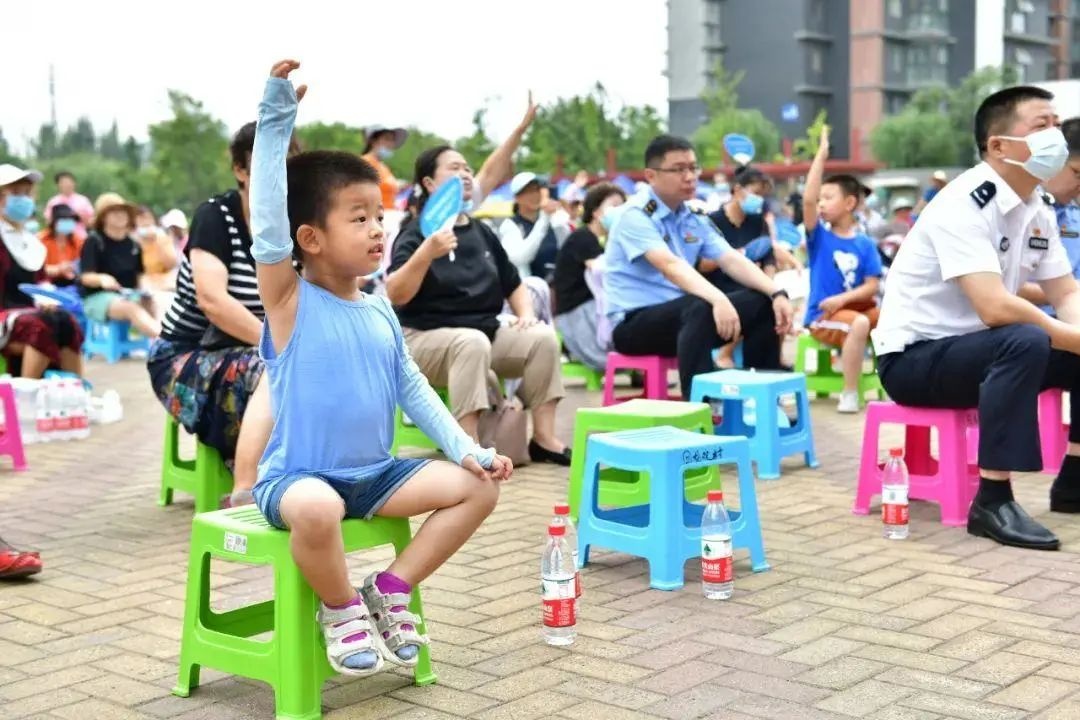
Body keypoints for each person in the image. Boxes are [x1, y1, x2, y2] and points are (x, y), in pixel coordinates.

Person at [249, 60, 510, 675]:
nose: (377, 229)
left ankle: (388, 591)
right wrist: (277, 115)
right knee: (316, 509)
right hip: (300, 480)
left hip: (376, 476)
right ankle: (340, 610)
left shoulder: (380, 307)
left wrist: (464, 448)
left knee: (478, 487)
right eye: (359, 218)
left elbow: (410, 386)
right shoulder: (289, 302)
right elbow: (268, 219)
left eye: (379, 217)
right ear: (309, 239)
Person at [873, 85, 1080, 551]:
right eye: (1042, 126)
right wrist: (1070, 336)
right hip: (915, 360)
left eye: (1057, 125)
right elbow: (994, 307)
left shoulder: (1037, 208)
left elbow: (1065, 291)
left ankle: (1074, 481)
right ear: (999, 146)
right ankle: (992, 500)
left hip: (977, 352)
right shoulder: (963, 202)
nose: (1057, 137)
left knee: (1044, 341)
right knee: (1024, 336)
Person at [386, 148, 571, 466]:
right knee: (470, 342)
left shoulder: (481, 231)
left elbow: (513, 282)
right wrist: (426, 254)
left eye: (468, 168)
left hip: (482, 334)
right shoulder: (416, 232)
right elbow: (396, 293)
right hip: (421, 340)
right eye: (454, 168)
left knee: (542, 339)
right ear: (430, 183)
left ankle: (544, 439)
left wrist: (525, 316)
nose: (466, 174)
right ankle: (466, 445)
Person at [147, 122, 291, 506]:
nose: (279, 172)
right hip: (185, 357)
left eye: (287, 162)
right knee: (276, 368)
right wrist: (281, 345)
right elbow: (213, 301)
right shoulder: (216, 216)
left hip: (250, 350)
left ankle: (304, 475)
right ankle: (248, 487)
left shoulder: (292, 227)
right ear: (241, 171)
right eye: (268, 162)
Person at [604, 135, 795, 393]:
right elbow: (670, 266)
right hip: (633, 325)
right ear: (651, 175)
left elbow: (730, 258)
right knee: (699, 306)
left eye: (693, 168)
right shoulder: (635, 216)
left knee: (762, 303)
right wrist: (718, 298)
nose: (690, 176)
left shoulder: (692, 215)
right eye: (679, 169)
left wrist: (776, 293)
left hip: (686, 320)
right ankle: (702, 409)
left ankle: (762, 400)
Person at [801, 127, 883, 413]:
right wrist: (821, 156)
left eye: (829, 197)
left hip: (851, 308)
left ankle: (897, 384)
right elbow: (807, 201)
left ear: (849, 203)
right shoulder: (819, 237)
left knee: (899, 318)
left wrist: (843, 300)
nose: (821, 203)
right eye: (821, 198)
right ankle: (849, 393)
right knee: (859, 324)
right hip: (823, 315)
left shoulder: (864, 243)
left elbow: (872, 285)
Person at [0, 164, 84, 377]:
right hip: (6, 315)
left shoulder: (31, 242)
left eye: (27, 193)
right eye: (15, 193)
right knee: (39, 325)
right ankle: (26, 394)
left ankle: (75, 394)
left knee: (66, 321)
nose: (24, 199)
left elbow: (41, 280)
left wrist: (47, 298)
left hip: (26, 312)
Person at [552, 182, 626, 371]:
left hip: (592, 309)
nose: (620, 212)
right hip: (578, 314)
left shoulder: (600, 239)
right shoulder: (582, 238)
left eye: (623, 207)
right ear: (596, 212)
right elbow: (603, 271)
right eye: (614, 206)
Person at [80, 193, 161, 339]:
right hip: (97, 298)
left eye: (123, 211)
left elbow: (140, 275)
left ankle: (158, 344)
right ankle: (165, 341)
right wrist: (101, 279)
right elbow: (86, 277)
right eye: (114, 212)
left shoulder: (134, 245)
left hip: (127, 294)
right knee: (130, 307)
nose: (120, 215)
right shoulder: (93, 241)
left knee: (151, 302)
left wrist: (145, 289)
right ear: (104, 217)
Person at [1019, 117, 1080, 312]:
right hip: (1025, 329)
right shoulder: (1015, 211)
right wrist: (1066, 292)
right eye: (1077, 173)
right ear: (1054, 162)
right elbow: (999, 286)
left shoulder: (1074, 218)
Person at [499, 172, 572, 282]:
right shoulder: (510, 225)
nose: (535, 195)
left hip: (558, 287)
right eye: (529, 191)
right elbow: (520, 258)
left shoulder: (552, 219)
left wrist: (554, 212)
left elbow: (567, 246)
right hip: (531, 290)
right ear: (517, 198)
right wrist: (544, 218)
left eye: (538, 190)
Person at [362, 126, 408, 211]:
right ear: (373, 141)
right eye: (387, 139)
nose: (391, 144)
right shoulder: (365, 162)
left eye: (392, 140)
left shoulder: (384, 167)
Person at [39, 204, 82, 286]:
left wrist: (73, 268)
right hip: (46, 283)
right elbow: (36, 270)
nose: (69, 223)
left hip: (72, 284)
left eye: (71, 220)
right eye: (65, 219)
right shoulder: (41, 240)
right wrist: (58, 269)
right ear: (54, 222)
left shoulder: (78, 241)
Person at [44, 171, 93, 240]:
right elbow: (48, 222)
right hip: (60, 240)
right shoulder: (53, 202)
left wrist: (79, 216)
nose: (67, 184)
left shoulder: (83, 200)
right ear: (58, 185)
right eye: (63, 182)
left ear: (74, 183)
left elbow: (90, 222)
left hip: (80, 238)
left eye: (69, 181)